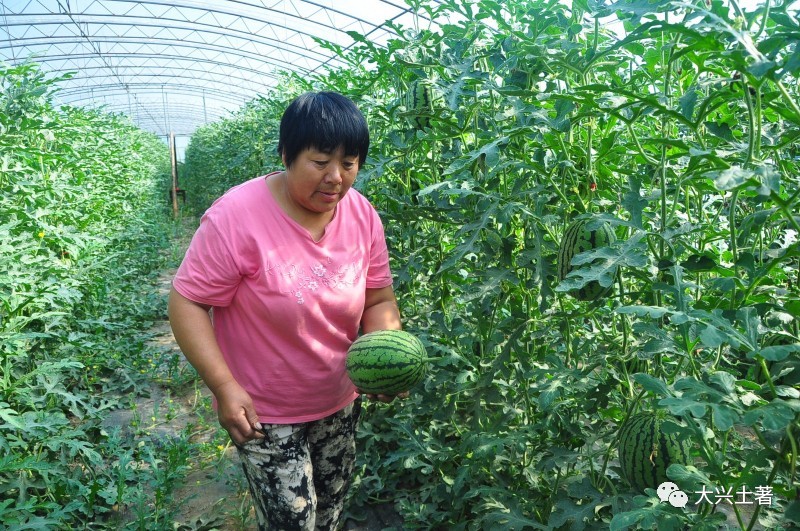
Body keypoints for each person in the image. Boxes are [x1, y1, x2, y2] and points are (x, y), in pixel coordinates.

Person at [168, 91, 404, 530]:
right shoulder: (237, 217)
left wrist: (385, 356)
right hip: (264, 410)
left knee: (331, 508)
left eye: (349, 163)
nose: (336, 177)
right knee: (292, 522)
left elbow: (378, 298)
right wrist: (223, 386)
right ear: (286, 154)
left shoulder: (362, 215)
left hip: (337, 398)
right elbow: (188, 301)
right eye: (320, 162)